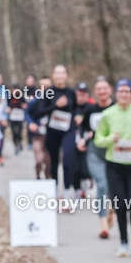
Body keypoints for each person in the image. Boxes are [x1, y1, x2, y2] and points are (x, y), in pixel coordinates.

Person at [94, 78, 131, 256]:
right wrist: (109, 139)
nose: (124, 94)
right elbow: (98, 139)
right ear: (116, 93)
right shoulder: (108, 114)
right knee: (120, 205)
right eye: (121, 91)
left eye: (127, 91)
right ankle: (123, 243)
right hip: (114, 166)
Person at [38, 65, 79, 209]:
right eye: (57, 73)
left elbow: (75, 109)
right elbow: (40, 111)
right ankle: (54, 195)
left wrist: (78, 116)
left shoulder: (71, 92)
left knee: (67, 161)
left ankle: (67, 196)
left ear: (66, 76)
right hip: (53, 131)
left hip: (68, 131)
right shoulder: (48, 92)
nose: (60, 76)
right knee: (54, 163)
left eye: (63, 73)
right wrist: (55, 105)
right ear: (53, 76)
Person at [81, 77, 115, 238]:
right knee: (102, 184)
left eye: (105, 88)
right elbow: (84, 129)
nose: (102, 91)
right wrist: (82, 139)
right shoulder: (90, 109)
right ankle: (103, 225)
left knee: (114, 187)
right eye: (99, 89)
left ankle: (111, 211)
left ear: (110, 90)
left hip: (114, 152)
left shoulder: (117, 107)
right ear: (95, 92)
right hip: (95, 152)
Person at [26, 76, 53, 180]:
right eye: (43, 86)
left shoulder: (55, 101)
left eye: (48, 86)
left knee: (48, 159)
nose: (45, 89)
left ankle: (48, 177)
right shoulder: (35, 101)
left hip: (50, 135)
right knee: (39, 159)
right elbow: (27, 113)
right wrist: (31, 123)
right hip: (37, 134)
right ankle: (37, 176)